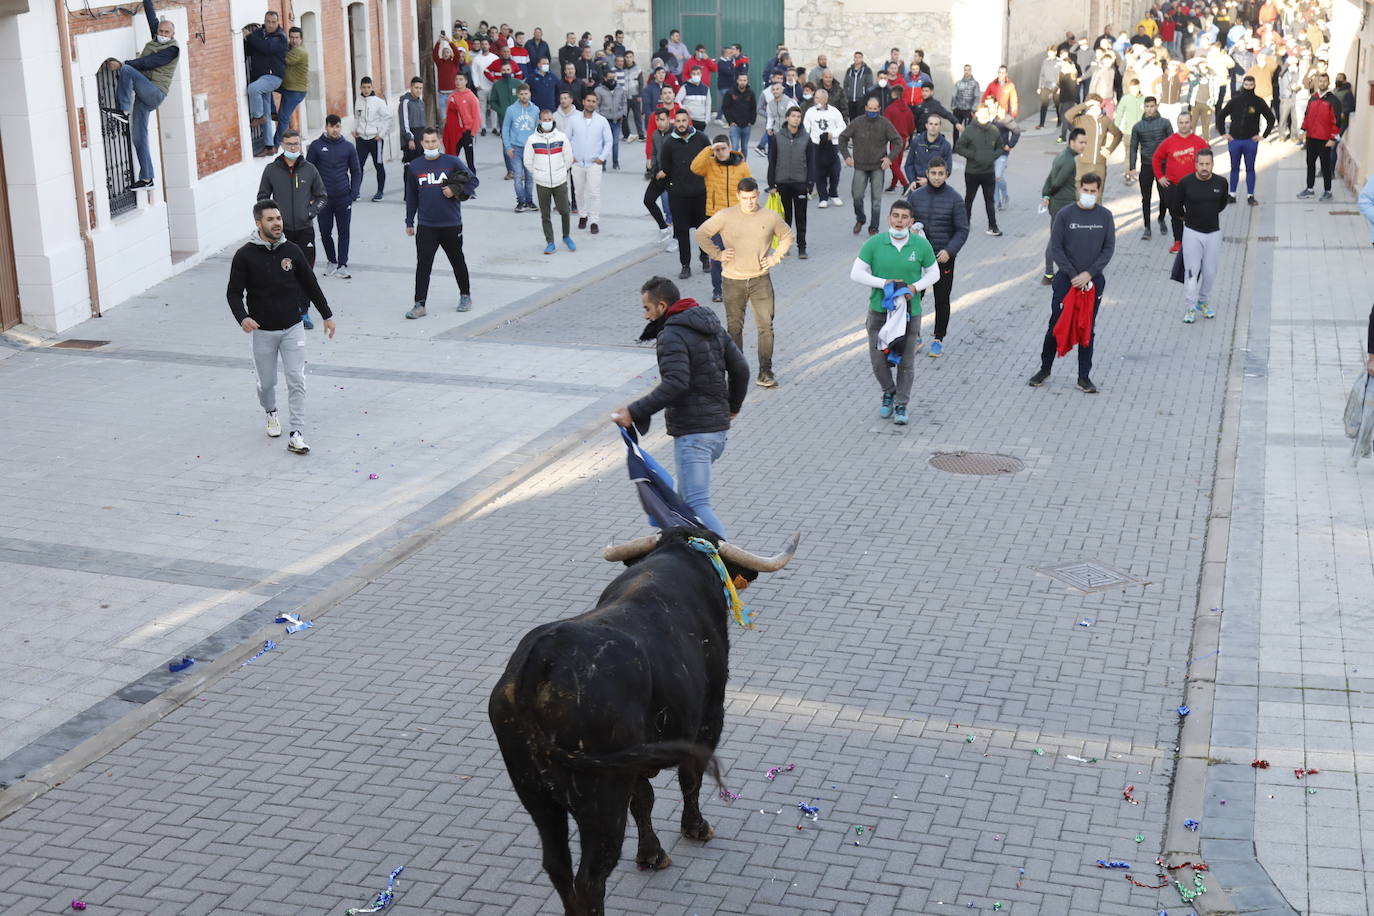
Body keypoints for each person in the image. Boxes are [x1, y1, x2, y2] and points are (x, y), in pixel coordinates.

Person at [610, 276, 749, 538]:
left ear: (662, 306)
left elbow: (675, 383)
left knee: (696, 504)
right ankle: (686, 553)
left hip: (694, 435)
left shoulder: (671, 334)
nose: (646, 316)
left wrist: (633, 412)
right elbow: (741, 368)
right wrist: (733, 407)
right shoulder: (711, 325)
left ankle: (727, 560)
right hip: (717, 432)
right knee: (683, 503)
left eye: (647, 308)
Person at [227, 200, 335, 455]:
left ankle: (296, 432)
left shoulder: (292, 251)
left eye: (278, 218)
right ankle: (271, 412)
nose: (277, 223)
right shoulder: (244, 255)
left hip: (292, 328)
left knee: (296, 379)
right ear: (258, 223)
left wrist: (327, 315)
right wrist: (243, 318)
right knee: (266, 383)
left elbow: (311, 284)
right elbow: (233, 293)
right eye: (270, 219)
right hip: (262, 331)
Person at [849, 199, 939, 425]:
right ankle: (888, 391)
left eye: (904, 217)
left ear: (911, 221)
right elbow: (856, 273)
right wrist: (884, 283)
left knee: (906, 362)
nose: (899, 221)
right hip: (879, 311)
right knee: (878, 361)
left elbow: (934, 273)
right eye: (896, 216)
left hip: (910, 313)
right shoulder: (875, 243)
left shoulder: (921, 245)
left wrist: (914, 287)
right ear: (889, 218)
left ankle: (901, 404)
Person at [696, 177, 792, 388]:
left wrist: (775, 258)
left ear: (758, 195)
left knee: (766, 327)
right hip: (732, 281)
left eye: (753, 197)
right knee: (734, 328)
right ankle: (737, 373)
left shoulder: (770, 216)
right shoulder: (726, 215)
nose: (749, 202)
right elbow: (701, 233)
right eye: (745, 198)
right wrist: (717, 254)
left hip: (760, 280)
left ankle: (765, 372)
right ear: (738, 196)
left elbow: (787, 236)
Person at [1028, 172, 1115, 394]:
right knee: (1056, 325)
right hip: (1066, 282)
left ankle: (1083, 377)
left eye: (1093, 191)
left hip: (1093, 283)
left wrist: (1089, 274)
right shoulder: (1065, 215)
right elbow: (1056, 248)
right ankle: (1045, 369)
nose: (1089, 194)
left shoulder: (1105, 216)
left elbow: (1108, 249)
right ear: (1078, 189)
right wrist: (1074, 274)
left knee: (1087, 328)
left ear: (1099, 191)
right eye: (1085, 190)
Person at [103, 0, 178, 189]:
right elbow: (151, 15)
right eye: (161, 31)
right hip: (144, 97)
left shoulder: (172, 50)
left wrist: (123, 64)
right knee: (138, 137)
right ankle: (147, 178)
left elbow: (148, 62)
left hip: (155, 92)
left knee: (127, 70)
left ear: (172, 35)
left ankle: (123, 110)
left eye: (166, 32)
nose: (162, 34)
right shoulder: (156, 36)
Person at [404, 127, 478, 318]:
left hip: (451, 224)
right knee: (423, 266)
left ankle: (465, 296)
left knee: (457, 261)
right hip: (426, 226)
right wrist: (409, 221)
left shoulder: (452, 161)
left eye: (434, 141)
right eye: (427, 142)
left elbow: (473, 181)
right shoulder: (415, 166)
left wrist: (456, 190)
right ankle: (419, 304)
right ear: (422, 143)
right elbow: (411, 196)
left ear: (440, 141)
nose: (431, 145)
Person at [256, 130, 326, 328]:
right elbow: (262, 197)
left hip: (305, 230)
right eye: (289, 144)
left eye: (296, 144)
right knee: (281, 272)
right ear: (282, 145)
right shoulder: (271, 170)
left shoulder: (310, 169)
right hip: (281, 233)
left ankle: (303, 312)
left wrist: (310, 213)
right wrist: (272, 219)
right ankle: (284, 311)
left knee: (305, 273)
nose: (293, 147)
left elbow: (322, 196)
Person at [905, 157, 968, 357]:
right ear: (927, 173)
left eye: (941, 173)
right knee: (914, 298)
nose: (937, 177)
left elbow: (962, 230)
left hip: (943, 258)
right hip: (918, 259)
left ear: (946, 174)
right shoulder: (916, 196)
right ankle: (914, 336)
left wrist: (949, 251)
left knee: (942, 300)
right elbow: (906, 221)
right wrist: (909, 230)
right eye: (933, 173)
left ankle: (938, 339)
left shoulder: (955, 198)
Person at [690, 135, 752, 302]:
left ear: (730, 148)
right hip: (716, 218)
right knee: (717, 257)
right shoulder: (709, 165)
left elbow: (749, 190)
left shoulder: (742, 166)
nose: (720, 152)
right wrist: (708, 150)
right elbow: (694, 167)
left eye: (723, 148)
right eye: (717, 149)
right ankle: (718, 290)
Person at [1176, 148, 1228, 323]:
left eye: (1208, 164)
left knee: (1210, 272)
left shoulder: (1221, 182)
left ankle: (1203, 302)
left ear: (1212, 164)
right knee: (1192, 272)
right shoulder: (1185, 183)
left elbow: (1222, 204)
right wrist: (1189, 218)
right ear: (1196, 165)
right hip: (1192, 233)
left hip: (1213, 233)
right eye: (1201, 164)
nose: (1204, 167)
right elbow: (1176, 207)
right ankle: (1190, 307)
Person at [307, 115, 362, 279]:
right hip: (322, 199)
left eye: (337, 126)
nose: (335, 129)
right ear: (326, 127)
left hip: (343, 197)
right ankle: (332, 261)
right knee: (325, 232)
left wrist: (353, 193)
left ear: (341, 127)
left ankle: (342, 265)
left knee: (344, 232)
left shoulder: (348, 147)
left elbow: (356, 171)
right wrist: (311, 196)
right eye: (331, 126)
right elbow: (308, 172)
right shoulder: (316, 146)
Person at [658, 110, 711, 279]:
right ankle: (685, 265)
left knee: (703, 229)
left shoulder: (701, 138)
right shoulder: (669, 143)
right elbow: (665, 168)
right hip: (679, 196)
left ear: (689, 122)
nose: (681, 124)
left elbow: (710, 161)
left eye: (684, 121)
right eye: (678, 121)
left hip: (700, 193)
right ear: (675, 122)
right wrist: (672, 188)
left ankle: (705, 257)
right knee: (681, 232)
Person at [839, 97, 901, 236]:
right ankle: (860, 218)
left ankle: (874, 227)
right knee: (857, 196)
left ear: (879, 109)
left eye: (875, 109)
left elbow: (898, 141)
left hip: (878, 166)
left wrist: (889, 158)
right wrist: (846, 156)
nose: (872, 111)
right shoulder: (857, 122)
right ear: (866, 108)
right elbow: (842, 138)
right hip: (860, 166)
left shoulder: (884, 123)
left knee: (876, 200)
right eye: (870, 109)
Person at [1151, 111, 1209, 253]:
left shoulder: (1199, 142)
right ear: (1177, 124)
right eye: (1181, 123)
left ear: (1191, 123)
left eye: (1186, 122)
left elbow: (1208, 158)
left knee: (1194, 215)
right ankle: (1178, 242)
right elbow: (1156, 158)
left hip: (1193, 185)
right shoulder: (1169, 141)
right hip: (1173, 186)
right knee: (1175, 215)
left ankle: (1195, 242)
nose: (1184, 125)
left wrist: (1205, 176)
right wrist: (1160, 177)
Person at [1216, 73, 1274, 204]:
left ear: (1254, 86)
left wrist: (1263, 135)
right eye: (1246, 84)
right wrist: (1223, 133)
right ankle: (1232, 194)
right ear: (1243, 85)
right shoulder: (1235, 101)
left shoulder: (1258, 102)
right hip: (1234, 140)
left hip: (1250, 141)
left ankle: (1250, 195)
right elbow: (1221, 116)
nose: (1248, 87)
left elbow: (1271, 118)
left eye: (1250, 85)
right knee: (1234, 168)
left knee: (1250, 168)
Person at [525, 110, 576, 254]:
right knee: (545, 214)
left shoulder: (561, 137)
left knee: (565, 210)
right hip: (542, 183)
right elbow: (527, 161)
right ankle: (550, 242)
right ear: (540, 121)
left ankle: (566, 236)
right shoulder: (532, 140)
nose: (547, 122)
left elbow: (568, 158)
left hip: (560, 181)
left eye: (549, 119)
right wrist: (538, 174)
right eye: (544, 120)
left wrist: (561, 171)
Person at [766, 107, 812, 259]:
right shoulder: (778, 137)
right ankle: (785, 246)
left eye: (798, 116)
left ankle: (802, 247)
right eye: (793, 116)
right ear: (787, 118)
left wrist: (810, 183)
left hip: (800, 183)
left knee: (801, 217)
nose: (796, 119)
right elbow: (772, 161)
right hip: (782, 183)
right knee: (785, 218)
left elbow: (811, 162)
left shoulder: (806, 138)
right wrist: (771, 184)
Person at [565, 91, 613, 234]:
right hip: (577, 163)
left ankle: (594, 221)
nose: (591, 104)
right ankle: (583, 215)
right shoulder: (573, 119)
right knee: (578, 192)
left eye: (594, 101)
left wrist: (602, 158)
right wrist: (570, 156)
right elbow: (566, 139)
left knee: (594, 193)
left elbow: (608, 141)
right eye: (589, 101)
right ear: (583, 102)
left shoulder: (601, 121)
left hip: (594, 163)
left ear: (596, 104)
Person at [1125, 96, 1173, 239]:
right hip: (1146, 165)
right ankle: (1147, 227)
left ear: (1156, 106)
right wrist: (1132, 166)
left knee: (1165, 196)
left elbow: (1172, 144)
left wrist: (1173, 164)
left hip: (1163, 166)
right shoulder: (1138, 127)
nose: (1150, 109)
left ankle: (1161, 218)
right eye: (1147, 106)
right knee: (1146, 198)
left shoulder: (1165, 123)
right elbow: (1133, 147)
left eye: (1152, 106)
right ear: (1144, 107)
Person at [244, 11, 288, 156]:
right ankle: (269, 146)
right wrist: (250, 40)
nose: (270, 25)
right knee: (267, 113)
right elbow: (251, 49)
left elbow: (266, 48)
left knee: (252, 89)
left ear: (277, 22)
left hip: (273, 77)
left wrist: (249, 37)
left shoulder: (280, 37)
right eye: (268, 21)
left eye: (273, 22)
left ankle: (258, 116)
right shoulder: (259, 33)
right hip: (260, 77)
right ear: (265, 21)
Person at [954, 105, 1002, 236]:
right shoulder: (969, 130)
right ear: (976, 114)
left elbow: (1000, 147)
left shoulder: (994, 130)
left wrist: (992, 156)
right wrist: (973, 155)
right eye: (982, 112)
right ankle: (965, 225)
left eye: (986, 112)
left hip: (989, 172)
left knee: (989, 200)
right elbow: (959, 147)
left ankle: (993, 226)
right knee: (969, 199)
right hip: (972, 172)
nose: (984, 115)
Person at [1297, 73, 1340, 201]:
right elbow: (1307, 116)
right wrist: (1302, 129)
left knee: (1325, 166)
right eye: (1320, 81)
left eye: (1324, 81)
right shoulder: (1313, 98)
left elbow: (1337, 121)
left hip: (1325, 139)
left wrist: (1333, 138)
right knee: (1310, 163)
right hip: (1311, 137)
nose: (1322, 83)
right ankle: (1310, 189)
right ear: (1317, 82)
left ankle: (1328, 191)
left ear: (1328, 82)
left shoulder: (1333, 100)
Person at [802, 89, 845, 207]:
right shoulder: (810, 112)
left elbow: (842, 126)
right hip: (816, 144)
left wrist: (833, 134)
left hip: (832, 143)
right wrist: (808, 140)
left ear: (825, 99)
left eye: (819, 98)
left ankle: (833, 193)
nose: (816, 100)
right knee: (819, 172)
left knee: (835, 170)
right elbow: (806, 128)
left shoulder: (834, 111)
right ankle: (823, 197)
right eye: (815, 98)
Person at [502, 82, 540, 212]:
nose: (524, 96)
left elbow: (537, 129)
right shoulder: (511, 110)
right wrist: (507, 146)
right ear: (518, 95)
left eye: (526, 93)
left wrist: (537, 147)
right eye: (522, 94)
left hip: (530, 148)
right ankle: (521, 201)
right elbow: (505, 128)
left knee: (529, 177)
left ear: (530, 94)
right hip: (516, 148)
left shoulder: (535, 110)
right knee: (518, 176)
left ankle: (529, 201)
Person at [353, 77, 391, 200]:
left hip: (376, 139)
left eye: (368, 87)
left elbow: (388, 118)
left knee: (378, 165)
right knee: (358, 166)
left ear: (372, 87)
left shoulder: (378, 102)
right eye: (364, 87)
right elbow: (357, 117)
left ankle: (380, 192)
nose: (366, 90)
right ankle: (355, 192)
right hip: (361, 139)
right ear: (360, 88)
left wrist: (381, 134)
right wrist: (354, 129)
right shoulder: (358, 101)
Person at [442, 72, 481, 172]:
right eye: (456, 79)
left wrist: (473, 133)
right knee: (452, 157)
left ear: (466, 81)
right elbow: (448, 115)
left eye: (460, 79)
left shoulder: (471, 97)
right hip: (455, 132)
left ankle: (472, 177)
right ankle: (452, 177)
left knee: (470, 159)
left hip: (467, 132)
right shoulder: (451, 97)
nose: (458, 82)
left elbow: (476, 116)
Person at [903, 113, 952, 188]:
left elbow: (947, 170)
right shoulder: (917, 141)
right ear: (926, 125)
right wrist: (912, 180)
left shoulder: (945, 146)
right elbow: (909, 164)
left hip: (935, 185)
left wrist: (928, 180)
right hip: (916, 184)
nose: (933, 127)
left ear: (940, 126)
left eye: (936, 124)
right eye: (931, 124)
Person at [594, 72, 628, 169]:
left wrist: (623, 114)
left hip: (616, 120)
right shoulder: (599, 90)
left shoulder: (620, 89)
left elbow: (624, 102)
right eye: (609, 77)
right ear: (605, 78)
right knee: (604, 142)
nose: (612, 79)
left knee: (615, 142)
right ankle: (603, 162)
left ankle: (615, 163)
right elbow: (596, 104)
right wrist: (598, 117)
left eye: (613, 77)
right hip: (604, 120)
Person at [991, 106, 1021, 211]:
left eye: (991, 104)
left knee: (997, 176)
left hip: (1002, 152)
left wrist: (1010, 145)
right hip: (989, 153)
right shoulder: (986, 117)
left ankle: (1005, 195)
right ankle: (997, 202)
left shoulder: (1005, 118)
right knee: (993, 178)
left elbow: (1016, 131)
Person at [721, 73, 757, 155]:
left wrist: (751, 121)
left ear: (747, 81)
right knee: (735, 147)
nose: (742, 82)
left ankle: (743, 163)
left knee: (744, 147)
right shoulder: (730, 92)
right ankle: (734, 162)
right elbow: (725, 108)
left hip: (746, 125)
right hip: (735, 125)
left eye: (744, 80)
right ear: (737, 81)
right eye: (740, 80)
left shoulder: (751, 93)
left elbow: (753, 108)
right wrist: (730, 121)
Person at [399, 77, 426, 164]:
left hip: (420, 137)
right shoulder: (405, 102)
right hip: (411, 137)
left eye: (420, 88)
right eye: (416, 88)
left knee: (421, 164)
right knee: (410, 165)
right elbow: (404, 122)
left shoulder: (421, 103)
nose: (418, 90)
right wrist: (410, 139)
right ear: (411, 87)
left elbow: (423, 123)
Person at [676, 65, 711, 131]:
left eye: (698, 73)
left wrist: (707, 120)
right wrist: (684, 109)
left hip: (701, 120)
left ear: (701, 74)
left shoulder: (706, 88)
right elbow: (677, 100)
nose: (696, 75)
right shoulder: (685, 87)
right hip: (689, 119)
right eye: (694, 74)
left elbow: (708, 104)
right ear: (691, 75)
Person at [950, 65, 980, 141]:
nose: (967, 72)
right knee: (956, 128)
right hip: (958, 109)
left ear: (971, 71)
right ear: (964, 71)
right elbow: (954, 95)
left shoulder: (975, 84)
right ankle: (955, 145)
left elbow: (977, 97)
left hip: (968, 110)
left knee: (968, 129)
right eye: (965, 70)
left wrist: (973, 109)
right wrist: (953, 107)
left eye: (968, 70)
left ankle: (967, 145)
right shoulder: (958, 83)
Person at [843, 51, 875, 120]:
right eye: (856, 57)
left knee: (861, 119)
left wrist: (866, 98)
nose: (857, 59)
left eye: (859, 57)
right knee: (852, 119)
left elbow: (869, 85)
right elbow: (845, 84)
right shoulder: (849, 70)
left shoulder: (867, 70)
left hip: (861, 100)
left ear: (862, 59)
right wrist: (846, 95)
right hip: (850, 100)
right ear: (853, 58)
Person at [1037, 46, 1061, 128]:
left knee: (1057, 104)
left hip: (1056, 86)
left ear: (1055, 52)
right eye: (1048, 52)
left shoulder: (1059, 62)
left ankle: (1059, 121)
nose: (1049, 54)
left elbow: (1061, 75)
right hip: (1046, 85)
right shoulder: (1045, 61)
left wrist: (1060, 87)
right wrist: (1039, 87)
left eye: (1051, 52)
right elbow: (1042, 74)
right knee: (1044, 104)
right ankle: (1041, 123)